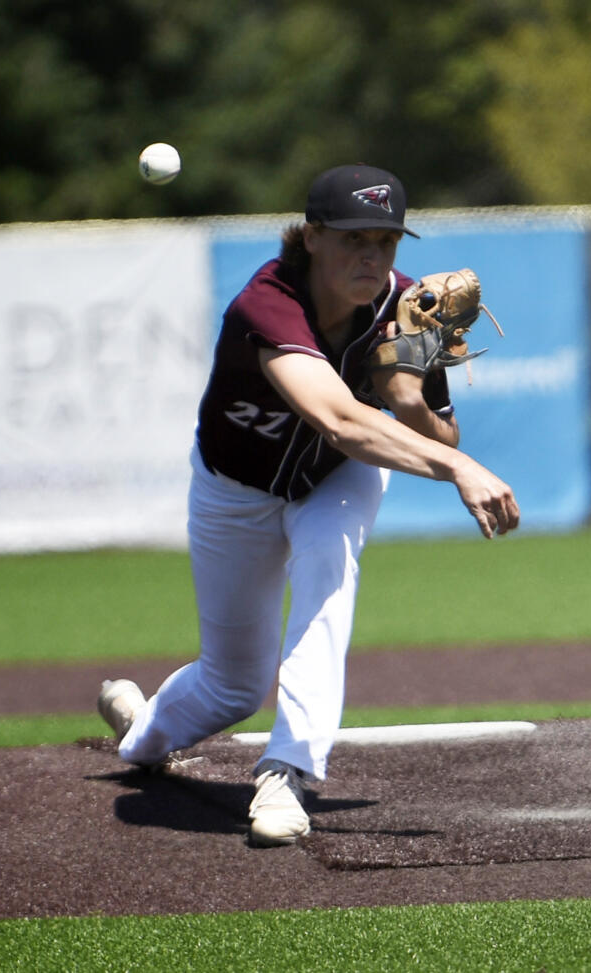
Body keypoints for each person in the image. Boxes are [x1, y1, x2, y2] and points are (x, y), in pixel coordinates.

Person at [97, 163, 519, 847]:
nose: (372, 257)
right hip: (235, 489)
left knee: (328, 563)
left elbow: (438, 431)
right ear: (313, 237)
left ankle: (287, 769)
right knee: (233, 685)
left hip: (337, 478)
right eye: (354, 239)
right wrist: (459, 468)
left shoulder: (410, 309)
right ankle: (141, 734)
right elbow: (340, 419)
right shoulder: (267, 302)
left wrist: (412, 399)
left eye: (386, 242)